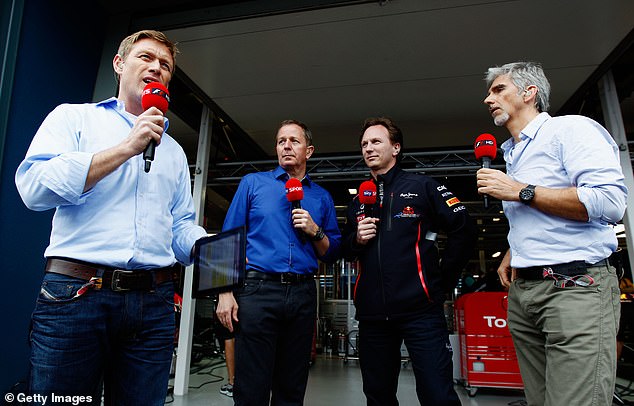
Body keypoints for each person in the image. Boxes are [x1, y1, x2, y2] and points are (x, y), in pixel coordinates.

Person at [14, 30, 207, 405]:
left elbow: (180, 225)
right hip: (76, 297)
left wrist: (206, 247)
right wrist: (125, 149)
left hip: (154, 305)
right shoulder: (74, 118)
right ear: (119, 65)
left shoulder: (175, 153)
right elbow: (33, 189)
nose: (156, 67)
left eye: (165, 65)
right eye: (145, 57)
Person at [476, 61, 627, 406]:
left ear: (530, 93)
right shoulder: (512, 152)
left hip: (574, 288)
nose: (488, 99)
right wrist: (516, 248)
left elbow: (610, 202)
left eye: (498, 89)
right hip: (525, 292)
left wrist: (521, 190)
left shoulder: (570, 130)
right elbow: (544, 217)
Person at [341, 117, 477, 406]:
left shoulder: (423, 186)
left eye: (376, 141)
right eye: (364, 144)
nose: (368, 148)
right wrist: (356, 240)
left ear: (396, 148)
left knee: (437, 395)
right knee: (378, 397)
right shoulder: (357, 203)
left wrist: (440, 282)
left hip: (421, 313)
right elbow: (344, 249)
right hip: (373, 316)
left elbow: (464, 229)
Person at [215, 120, 341, 405]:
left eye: (294, 141)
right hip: (259, 291)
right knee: (251, 386)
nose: (286, 145)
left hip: (303, 294)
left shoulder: (321, 197)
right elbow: (227, 239)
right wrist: (224, 293)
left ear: (309, 151)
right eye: (281, 140)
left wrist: (314, 230)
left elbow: (331, 253)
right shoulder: (253, 183)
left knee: (292, 386)